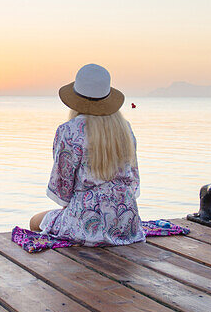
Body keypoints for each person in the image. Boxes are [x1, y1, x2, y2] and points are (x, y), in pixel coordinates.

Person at [30, 63, 144, 246]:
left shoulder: (69, 131)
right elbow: (133, 181)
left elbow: (62, 191)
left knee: (35, 221)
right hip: (127, 224)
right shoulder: (125, 129)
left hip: (85, 225)